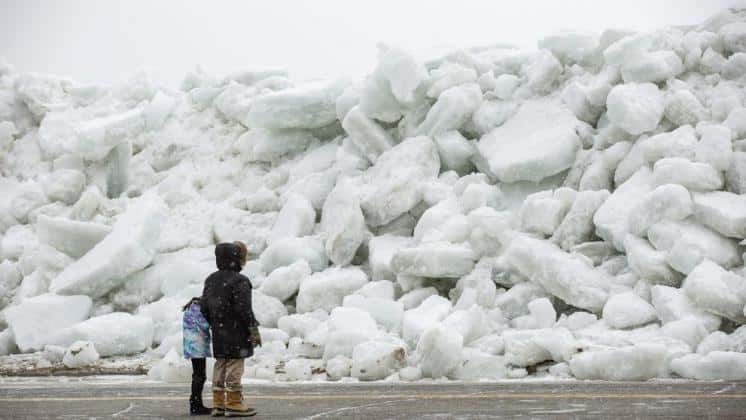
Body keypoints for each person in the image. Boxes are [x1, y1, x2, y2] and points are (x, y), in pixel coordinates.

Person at [201, 241, 262, 417]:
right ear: (236, 258)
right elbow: (244, 309)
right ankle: (234, 403)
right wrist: (253, 329)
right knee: (235, 363)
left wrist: (214, 323)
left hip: (219, 331)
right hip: (237, 331)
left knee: (220, 363)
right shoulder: (240, 281)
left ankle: (218, 403)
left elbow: (204, 306)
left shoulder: (211, 279)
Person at [182, 297, 212, 415]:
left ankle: (196, 403)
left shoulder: (190, 308)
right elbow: (204, 324)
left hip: (192, 345)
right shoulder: (197, 309)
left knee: (198, 375)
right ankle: (195, 405)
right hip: (196, 346)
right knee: (199, 376)